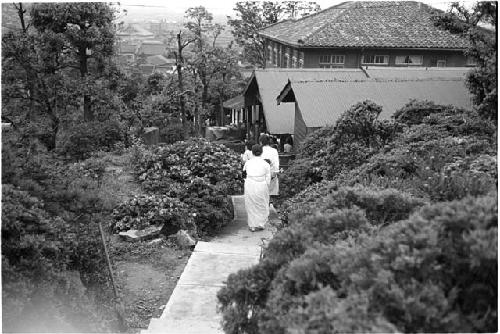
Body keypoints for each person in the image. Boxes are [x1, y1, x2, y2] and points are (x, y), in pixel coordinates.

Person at [243, 144, 271, 232]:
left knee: (251, 204)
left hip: (250, 184)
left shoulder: (248, 162)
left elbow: (243, 174)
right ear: (262, 152)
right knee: (262, 203)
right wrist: (266, 184)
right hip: (262, 184)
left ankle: (252, 225)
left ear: (252, 152)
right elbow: (268, 177)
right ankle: (261, 223)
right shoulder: (266, 164)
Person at [259, 134, 279, 202]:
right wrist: (275, 173)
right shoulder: (274, 151)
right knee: (270, 193)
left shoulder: (259, 151)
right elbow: (276, 164)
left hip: (261, 174)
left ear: (261, 142)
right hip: (271, 174)